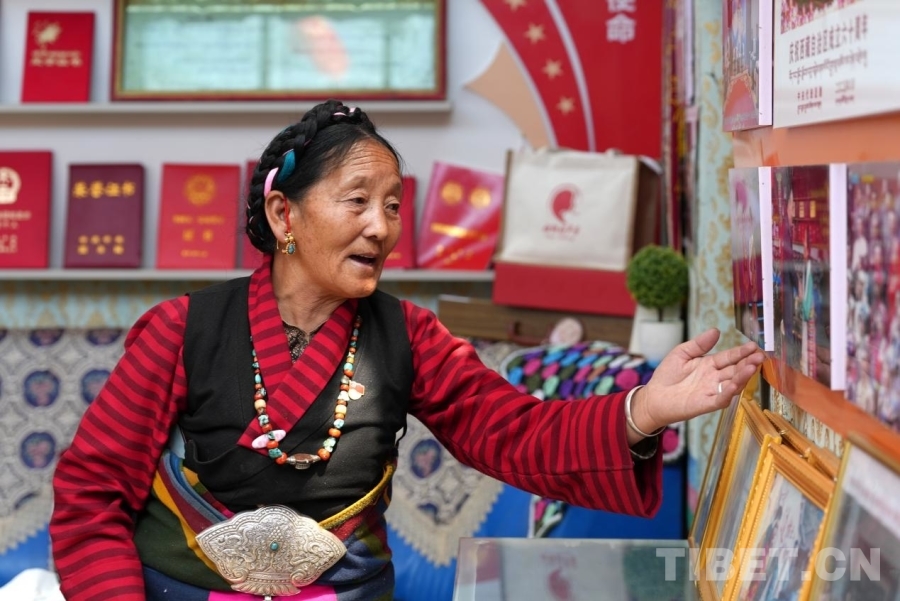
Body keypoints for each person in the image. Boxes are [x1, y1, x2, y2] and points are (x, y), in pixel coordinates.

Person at [50, 99, 764, 601]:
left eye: (393, 205)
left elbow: (515, 432)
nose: (381, 227)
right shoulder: (182, 329)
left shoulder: (410, 336)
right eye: (357, 199)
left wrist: (645, 409)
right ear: (283, 213)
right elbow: (91, 495)